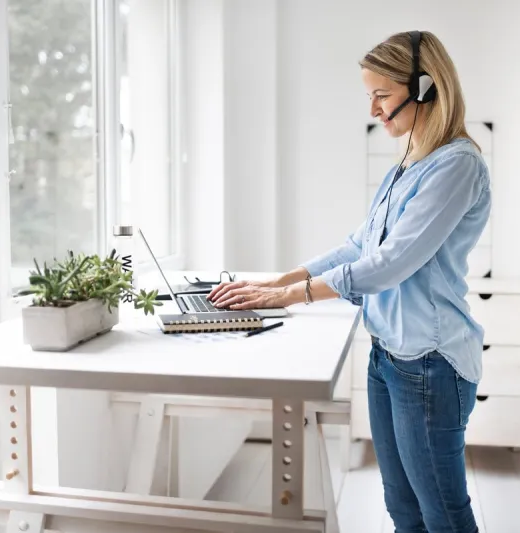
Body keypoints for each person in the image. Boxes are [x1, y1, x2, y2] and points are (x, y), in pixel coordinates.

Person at [208, 30, 488, 533]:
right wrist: (283, 279)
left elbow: (392, 263)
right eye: (370, 96)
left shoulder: (457, 164)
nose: (375, 109)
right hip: (389, 356)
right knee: (403, 508)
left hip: (429, 362)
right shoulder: (408, 164)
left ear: (425, 87)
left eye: (382, 95)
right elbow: (361, 246)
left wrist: (292, 296)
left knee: (442, 514)